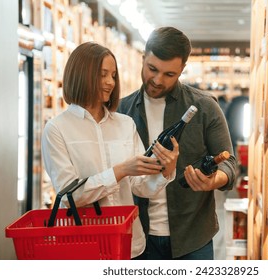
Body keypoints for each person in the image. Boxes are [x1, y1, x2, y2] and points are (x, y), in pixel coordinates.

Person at [41, 42, 179, 259]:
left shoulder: (125, 124)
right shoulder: (57, 129)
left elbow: (140, 187)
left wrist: (165, 171)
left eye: (113, 75)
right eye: (103, 74)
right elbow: (70, 197)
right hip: (84, 247)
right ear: (81, 74)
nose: (110, 82)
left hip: (130, 245)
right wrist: (120, 170)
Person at [117, 27, 237, 260]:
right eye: (152, 69)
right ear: (143, 58)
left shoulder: (204, 107)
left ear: (182, 70)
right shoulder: (121, 111)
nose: (157, 80)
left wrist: (215, 179)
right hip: (137, 237)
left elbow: (229, 163)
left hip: (193, 238)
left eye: (169, 74)